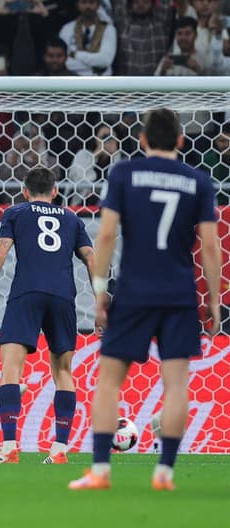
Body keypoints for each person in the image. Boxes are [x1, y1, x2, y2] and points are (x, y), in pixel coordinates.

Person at [68, 108, 221, 491]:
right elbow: (210, 244)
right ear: (182, 141)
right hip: (179, 292)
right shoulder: (198, 181)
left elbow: (104, 236)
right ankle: (164, 473)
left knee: (109, 382)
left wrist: (100, 290)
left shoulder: (124, 174)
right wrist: (215, 300)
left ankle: (101, 471)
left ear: (142, 140)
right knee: (176, 384)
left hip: (135, 291)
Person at [0, 167, 95, 464]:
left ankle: (10, 446)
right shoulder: (73, 218)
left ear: (24, 191)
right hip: (63, 296)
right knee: (63, 371)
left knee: (11, 369)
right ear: (55, 192)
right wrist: (102, 301)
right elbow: (91, 257)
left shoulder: (16, 212)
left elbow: (0, 251)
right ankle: (60, 449)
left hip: (26, 292)